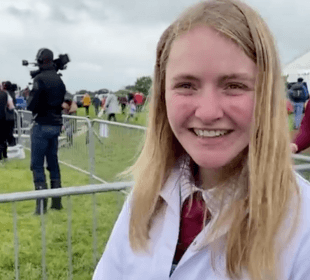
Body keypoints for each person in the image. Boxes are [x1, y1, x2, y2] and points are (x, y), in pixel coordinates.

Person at [93, 1, 310, 280]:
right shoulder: (145, 198)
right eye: (186, 85)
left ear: (266, 95)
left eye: (234, 86)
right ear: (163, 96)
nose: (207, 113)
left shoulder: (302, 226)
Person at [27, 48, 66, 215]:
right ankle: (57, 202)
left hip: (42, 124)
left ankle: (41, 206)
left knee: (37, 165)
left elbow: (31, 105)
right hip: (56, 125)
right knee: (53, 163)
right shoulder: (59, 80)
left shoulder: (39, 79)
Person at [0, 87, 14, 163]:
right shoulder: (5, 94)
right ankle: (4, 156)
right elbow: (11, 106)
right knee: (2, 138)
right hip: (3, 118)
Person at [2, 81, 17, 146]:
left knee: (5, 133)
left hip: (5, 117)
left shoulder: (5, 94)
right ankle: (12, 145)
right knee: (10, 132)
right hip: (12, 117)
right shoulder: (13, 93)